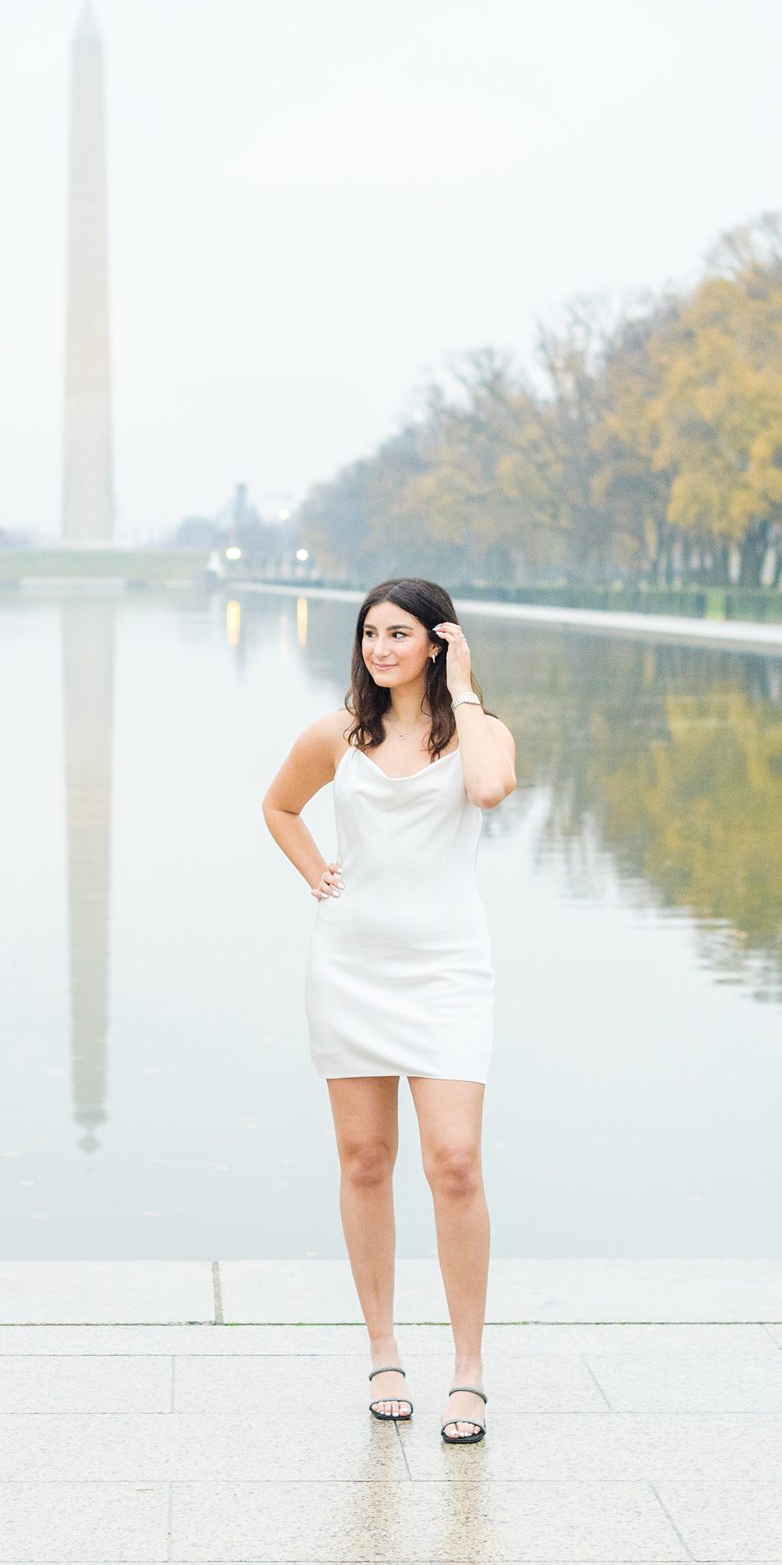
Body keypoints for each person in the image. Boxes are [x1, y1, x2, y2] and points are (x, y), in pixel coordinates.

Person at [260, 576, 517, 1445]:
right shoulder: (337, 734)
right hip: (352, 966)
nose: (379, 648)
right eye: (370, 633)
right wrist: (315, 873)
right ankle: (383, 1350)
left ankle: (470, 1369)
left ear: (437, 643)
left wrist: (468, 688)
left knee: (455, 1163)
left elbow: (487, 790)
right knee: (366, 1159)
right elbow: (279, 805)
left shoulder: (478, 732)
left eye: (399, 633)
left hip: (446, 970)